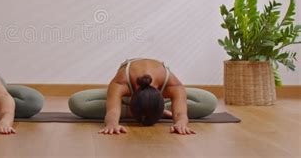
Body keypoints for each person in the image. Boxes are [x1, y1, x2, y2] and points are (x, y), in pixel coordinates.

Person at [68, 58, 217, 135]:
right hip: (125, 93)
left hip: (156, 97)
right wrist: (112, 123)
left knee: (208, 102)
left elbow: (181, 114)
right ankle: (148, 110)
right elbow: (112, 112)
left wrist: (181, 122)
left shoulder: (170, 82)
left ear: (161, 96)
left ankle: (148, 110)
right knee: (78, 102)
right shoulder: (122, 81)